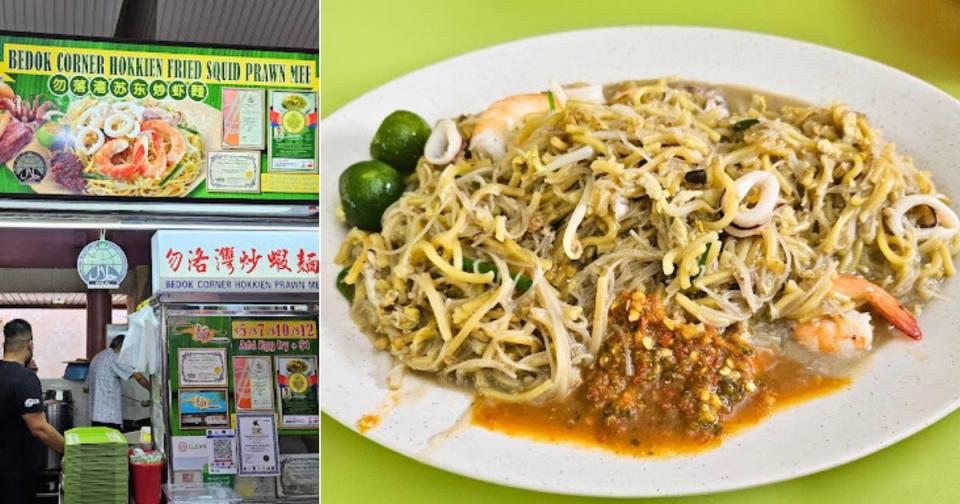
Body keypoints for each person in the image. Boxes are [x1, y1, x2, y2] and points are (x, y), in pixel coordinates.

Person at [0, 319, 65, 504]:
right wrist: (71, 450)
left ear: (5, 344)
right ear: (30, 344)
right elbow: (40, 429)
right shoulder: (25, 378)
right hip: (14, 475)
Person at [85, 335, 150, 431]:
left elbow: (86, 388)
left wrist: (106, 390)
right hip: (108, 418)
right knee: (111, 444)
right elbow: (138, 376)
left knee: (100, 444)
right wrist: (154, 390)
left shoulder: (98, 357)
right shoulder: (114, 358)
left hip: (96, 417)